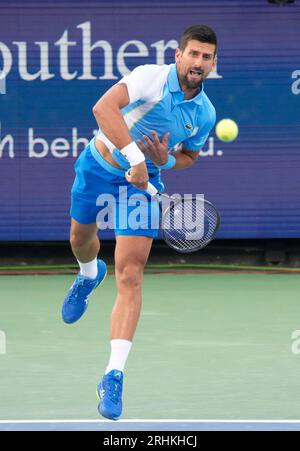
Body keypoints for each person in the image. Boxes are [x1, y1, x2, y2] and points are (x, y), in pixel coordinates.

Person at [61, 24, 218, 421]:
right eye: (193, 54)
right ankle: (87, 273)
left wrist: (161, 160)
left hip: (140, 189)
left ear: (214, 63)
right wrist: (135, 160)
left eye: (206, 57)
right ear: (179, 55)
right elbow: (103, 109)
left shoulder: (205, 113)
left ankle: (113, 375)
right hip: (99, 166)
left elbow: (188, 158)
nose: (198, 62)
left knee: (130, 274)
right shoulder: (150, 77)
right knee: (81, 239)